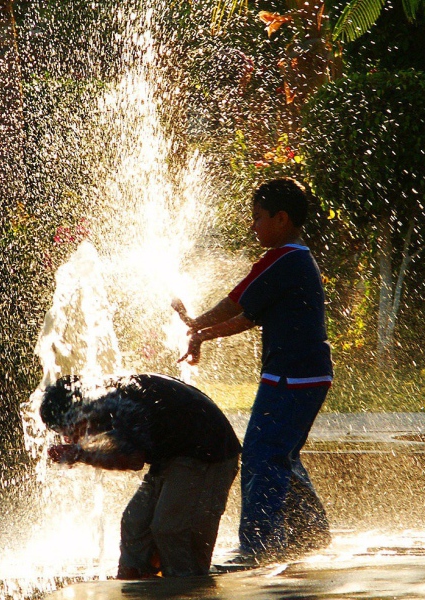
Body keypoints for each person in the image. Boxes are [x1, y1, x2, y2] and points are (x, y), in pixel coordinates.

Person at [172, 177, 332, 565]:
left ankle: (258, 546)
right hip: (304, 375)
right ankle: (311, 531)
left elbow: (235, 303)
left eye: (257, 218)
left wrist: (197, 326)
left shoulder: (284, 259)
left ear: (281, 219)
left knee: (263, 455)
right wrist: (200, 330)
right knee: (281, 454)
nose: (252, 225)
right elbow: (248, 316)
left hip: (292, 377)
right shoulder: (295, 259)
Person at [40, 373, 240, 579]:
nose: (68, 436)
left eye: (67, 427)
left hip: (209, 454)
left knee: (171, 528)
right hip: (175, 454)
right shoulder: (105, 398)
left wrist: (79, 454)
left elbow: (132, 459)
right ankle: (135, 580)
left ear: (78, 410)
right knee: (134, 523)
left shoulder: (118, 405)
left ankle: (187, 585)